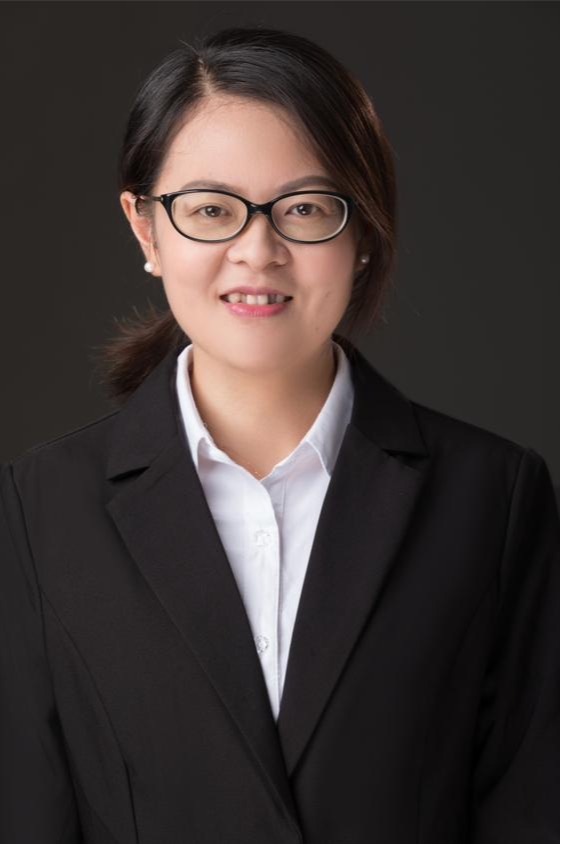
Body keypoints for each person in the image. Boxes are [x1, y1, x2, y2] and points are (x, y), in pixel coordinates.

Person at [0, 25, 558, 844]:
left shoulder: (492, 497)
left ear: (363, 231)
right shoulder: (40, 507)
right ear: (146, 229)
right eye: (210, 210)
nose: (256, 252)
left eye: (303, 209)